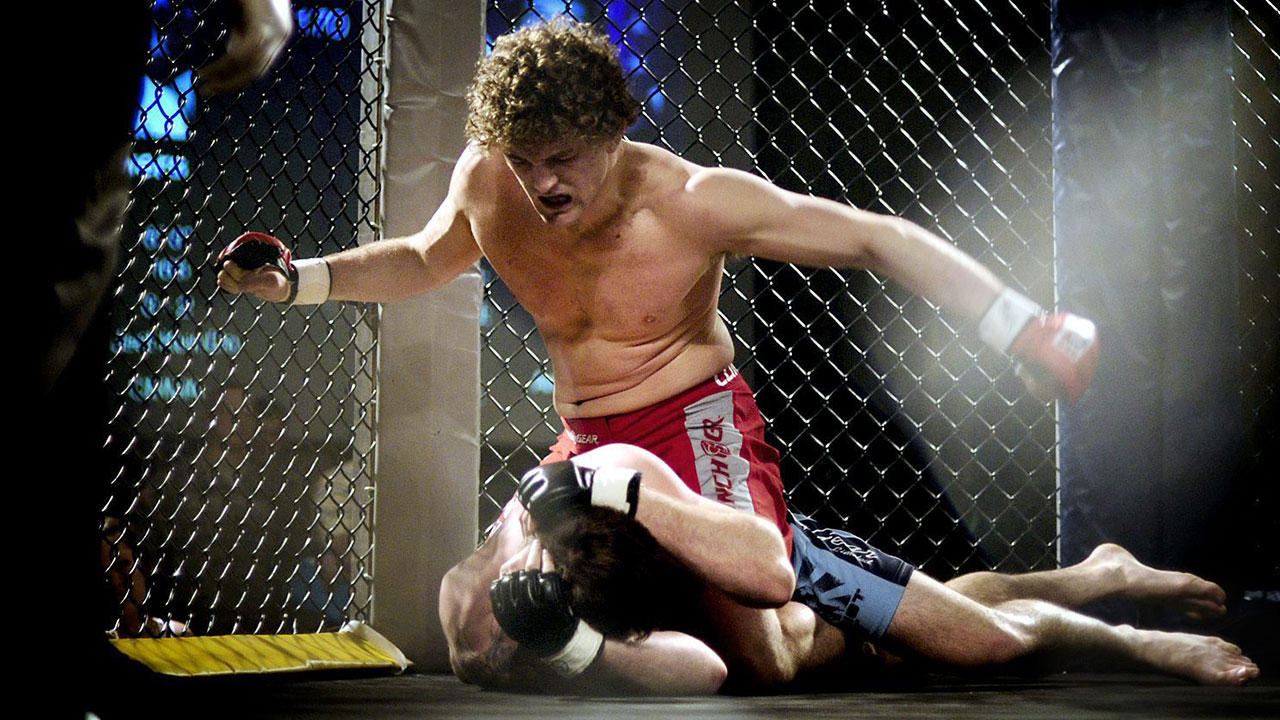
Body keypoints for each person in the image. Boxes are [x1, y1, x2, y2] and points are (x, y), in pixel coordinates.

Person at [216, 18, 1099, 558]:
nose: (542, 184)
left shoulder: (691, 201)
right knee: (487, 622)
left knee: (760, 632)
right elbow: (422, 257)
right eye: (525, 160)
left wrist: (1021, 325)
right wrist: (299, 281)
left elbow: (875, 237)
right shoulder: (488, 181)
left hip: (692, 426)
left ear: (612, 132)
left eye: (563, 158)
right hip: (587, 443)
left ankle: (848, 581)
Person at [440, 444, 1259, 693]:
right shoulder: (483, 593)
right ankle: (1101, 570)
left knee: (995, 642)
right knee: (939, 622)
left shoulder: (618, 476)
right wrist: (561, 642)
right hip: (799, 636)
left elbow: (753, 593)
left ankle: (1132, 640)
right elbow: (700, 669)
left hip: (786, 574)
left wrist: (616, 495)